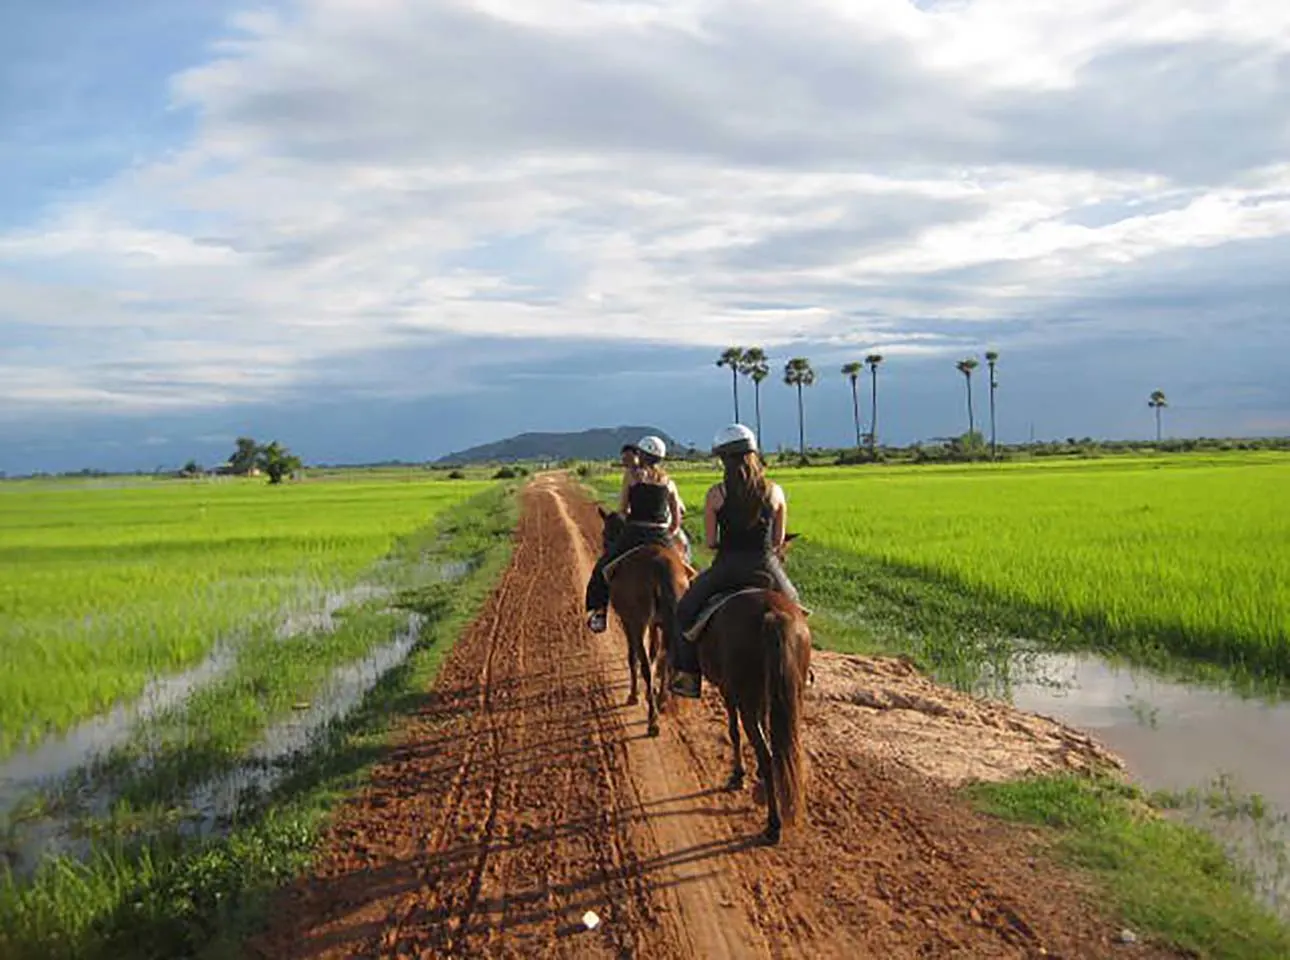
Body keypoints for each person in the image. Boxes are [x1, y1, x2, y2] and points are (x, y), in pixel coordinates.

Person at [669, 423, 801, 699]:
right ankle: (802, 670)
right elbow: (777, 542)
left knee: (684, 613)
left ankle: (688, 676)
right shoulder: (775, 492)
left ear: (722, 458)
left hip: (727, 568)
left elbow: (709, 542)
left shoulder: (716, 494)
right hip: (766, 566)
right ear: (753, 453)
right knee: (795, 609)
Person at [585, 435, 685, 633]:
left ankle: (599, 612)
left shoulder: (632, 476)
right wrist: (669, 532)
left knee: (603, 567)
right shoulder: (668, 482)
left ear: (641, 454)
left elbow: (622, 509)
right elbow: (676, 521)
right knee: (684, 569)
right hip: (661, 535)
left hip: (635, 532)